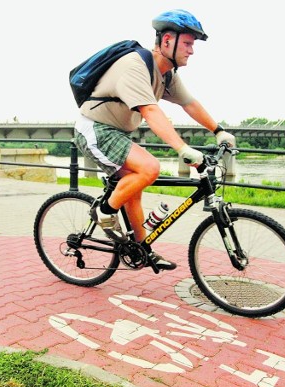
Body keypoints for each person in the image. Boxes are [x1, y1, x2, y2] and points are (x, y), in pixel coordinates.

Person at [74, 9, 236, 270]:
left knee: (133, 188)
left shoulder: (166, 74)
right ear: (167, 41)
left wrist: (218, 130)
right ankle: (104, 211)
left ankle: (140, 249)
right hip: (95, 129)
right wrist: (182, 148)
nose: (192, 50)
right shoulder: (134, 65)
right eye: (187, 43)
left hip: (117, 132)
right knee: (150, 167)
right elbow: (150, 111)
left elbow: (190, 103)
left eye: (192, 45)